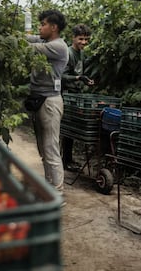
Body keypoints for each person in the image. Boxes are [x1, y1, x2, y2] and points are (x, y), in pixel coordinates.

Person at [26, 10, 69, 193]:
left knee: (50, 148)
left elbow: (26, 47)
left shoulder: (58, 46)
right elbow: (26, 39)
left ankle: (57, 192)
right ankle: (48, 187)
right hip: (39, 98)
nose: (40, 27)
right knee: (43, 149)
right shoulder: (45, 41)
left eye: (43, 24)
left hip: (50, 102)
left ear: (54, 27)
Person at [61, 23, 94, 171]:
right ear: (73, 38)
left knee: (72, 127)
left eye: (86, 39)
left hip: (76, 94)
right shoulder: (67, 53)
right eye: (81, 39)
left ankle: (68, 159)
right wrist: (79, 78)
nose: (84, 42)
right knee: (68, 128)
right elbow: (61, 76)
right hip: (66, 95)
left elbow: (78, 73)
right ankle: (65, 160)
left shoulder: (81, 53)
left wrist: (84, 79)